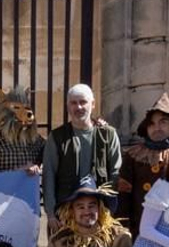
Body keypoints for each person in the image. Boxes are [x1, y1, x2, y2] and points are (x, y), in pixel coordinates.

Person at [42, 84, 121, 222]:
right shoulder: (56, 137)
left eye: (83, 102)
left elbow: (115, 173)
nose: (78, 107)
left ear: (93, 104)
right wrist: (50, 213)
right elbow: (49, 175)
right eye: (73, 103)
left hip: (99, 213)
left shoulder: (108, 134)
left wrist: (109, 210)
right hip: (65, 213)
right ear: (68, 107)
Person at [116, 93, 169, 234]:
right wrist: (122, 227)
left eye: (163, 122)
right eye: (151, 123)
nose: (157, 127)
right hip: (141, 226)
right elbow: (123, 194)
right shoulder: (133, 155)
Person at [0, 85, 45, 176]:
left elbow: (53, 157)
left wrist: (37, 166)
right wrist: (17, 173)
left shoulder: (36, 141)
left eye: (27, 108)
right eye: (17, 108)